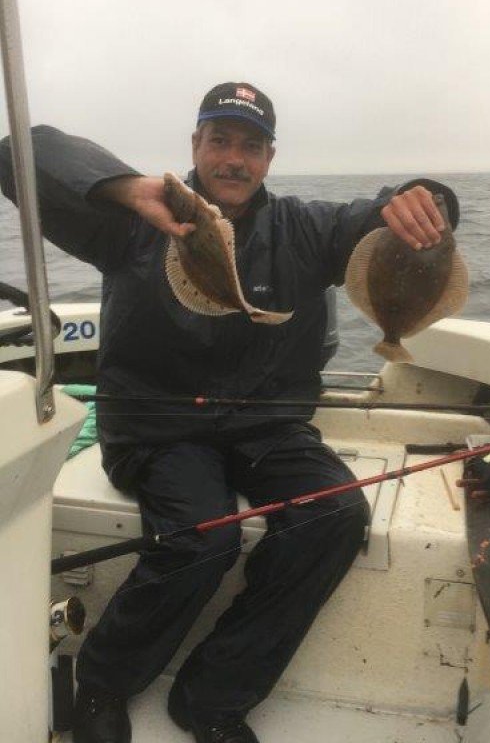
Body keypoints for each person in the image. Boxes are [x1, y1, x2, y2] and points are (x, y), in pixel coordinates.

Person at [0, 82, 458, 743]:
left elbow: (382, 218)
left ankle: (211, 697)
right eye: (220, 140)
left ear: (270, 157)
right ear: (195, 146)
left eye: (250, 145)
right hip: (160, 431)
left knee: (336, 514)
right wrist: (126, 187)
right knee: (204, 535)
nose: (234, 158)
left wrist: (423, 200)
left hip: (268, 427)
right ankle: (101, 681)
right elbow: (20, 153)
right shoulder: (132, 220)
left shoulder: (305, 229)